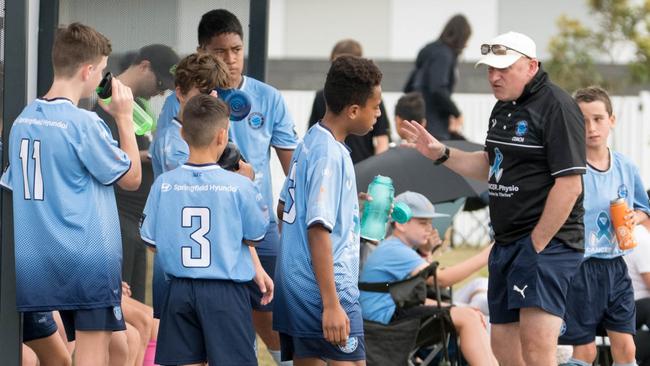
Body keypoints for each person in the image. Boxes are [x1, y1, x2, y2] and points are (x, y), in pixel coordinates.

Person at [401, 31, 587, 366]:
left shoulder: (557, 106)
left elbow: (570, 185)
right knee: (502, 349)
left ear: (531, 66)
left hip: (547, 246)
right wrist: (440, 152)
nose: (494, 76)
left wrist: (536, 244)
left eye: (503, 68)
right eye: (489, 69)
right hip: (506, 244)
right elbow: (491, 165)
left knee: (537, 350)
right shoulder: (503, 107)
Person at [155, 11, 298, 362]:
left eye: (237, 49)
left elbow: (293, 166)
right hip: (204, 242)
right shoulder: (180, 108)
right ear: (202, 51)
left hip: (256, 227)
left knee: (272, 317)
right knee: (206, 332)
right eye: (221, 52)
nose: (231, 59)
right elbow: (178, 174)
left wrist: (295, 206)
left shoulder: (268, 98)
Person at [0, 23, 141, 366]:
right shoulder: (83, 124)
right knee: (94, 354)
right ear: (88, 70)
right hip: (87, 260)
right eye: (103, 70)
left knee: (90, 352)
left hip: (39, 263)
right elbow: (132, 178)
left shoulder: (23, 120)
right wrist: (124, 119)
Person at [140, 94, 272, 365]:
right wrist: (249, 184)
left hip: (178, 290)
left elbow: (152, 242)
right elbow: (255, 236)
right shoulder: (239, 185)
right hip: (225, 292)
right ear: (223, 137)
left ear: (184, 134)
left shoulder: (164, 184)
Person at [274, 55, 382, 365]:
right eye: (375, 106)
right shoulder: (329, 155)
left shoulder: (311, 139)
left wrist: (348, 205)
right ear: (353, 110)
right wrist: (331, 304)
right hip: (325, 292)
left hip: (296, 287)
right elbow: (318, 229)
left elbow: (285, 208)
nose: (378, 114)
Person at [557, 86, 649, 366]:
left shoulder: (626, 166)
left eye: (598, 119)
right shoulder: (568, 168)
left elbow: (644, 209)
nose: (591, 128)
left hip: (616, 267)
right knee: (585, 352)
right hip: (579, 268)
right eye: (583, 120)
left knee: (626, 348)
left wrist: (636, 218)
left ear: (612, 119)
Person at [359, 191, 497, 365]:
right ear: (401, 224)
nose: (430, 229)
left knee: (468, 314)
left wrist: (454, 307)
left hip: (388, 317)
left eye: (430, 223)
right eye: (423, 223)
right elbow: (441, 279)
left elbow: (410, 298)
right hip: (382, 326)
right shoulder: (395, 249)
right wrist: (487, 254)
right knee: (467, 319)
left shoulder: (398, 248)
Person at [93, 44, 180, 302]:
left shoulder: (136, 104)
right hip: (117, 216)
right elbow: (102, 154)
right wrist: (144, 157)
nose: (160, 91)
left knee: (137, 306)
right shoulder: (105, 96)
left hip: (135, 221)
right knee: (120, 308)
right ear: (144, 66)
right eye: (160, 82)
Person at [148, 52, 230, 322]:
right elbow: (198, 193)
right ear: (180, 93)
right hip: (181, 264)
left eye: (216, 93)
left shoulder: (208, 135)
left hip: (203, 262)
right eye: (204, 92)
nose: (212, 100)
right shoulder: (174, 143)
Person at [307, 39, 390, 163]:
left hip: (363, 166)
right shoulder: (321, 97)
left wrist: (375, 170)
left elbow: (382, 139)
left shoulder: (372, 97)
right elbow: (312, 136)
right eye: (334, 64)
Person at [404, 14, 471, 140]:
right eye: (466, 40)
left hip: (418, 121)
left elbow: (408, 87)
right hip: (435, 127)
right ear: (461, 38)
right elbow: (438, 89)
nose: (466, 45)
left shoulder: (429, 51)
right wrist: (456, 113)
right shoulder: (443, 55)